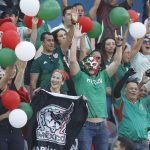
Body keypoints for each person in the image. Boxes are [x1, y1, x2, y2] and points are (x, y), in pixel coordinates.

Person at [69, 23, 123, 150]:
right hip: (85, 125)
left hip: (102, 126)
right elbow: (72, 60)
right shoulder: (80, 76)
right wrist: (76, 39)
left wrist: (119, 45)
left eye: (96, 61)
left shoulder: (103, 76)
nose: (92, 63)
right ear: (85, 63)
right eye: (90, 60)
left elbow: (116, 62)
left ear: (100, 64)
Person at [114, 68, 150, 150]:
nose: (133, 91)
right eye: (131, 89)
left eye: (135, 89)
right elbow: (116, 91)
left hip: (143, 143)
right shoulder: (121, 102)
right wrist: (126, 75)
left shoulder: (143, 102)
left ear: (138, 91)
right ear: (125, 91)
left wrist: (143, 81)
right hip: (126, 143)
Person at [30, 32, 60, 96]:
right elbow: (33, 82)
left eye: (52, 40)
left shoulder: (59, 53)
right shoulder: (37, 61)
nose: (52, 43)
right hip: (46, 95)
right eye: (49, 40)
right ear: (42, 43)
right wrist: (34, 99)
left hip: (62, 92)